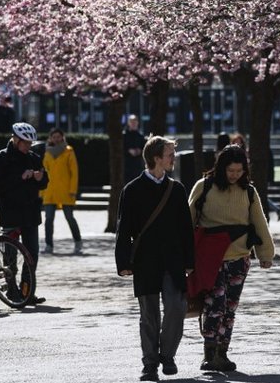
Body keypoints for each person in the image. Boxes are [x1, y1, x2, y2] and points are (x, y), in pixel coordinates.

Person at [188, 144, 274, 372]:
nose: (235, 175)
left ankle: (222, 353)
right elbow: (187, 222)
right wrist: (184, 258)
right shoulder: (204, 187)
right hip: (209, 257)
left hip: (239, 258)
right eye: (231, 170)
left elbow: (259, 222)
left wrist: (266, 253)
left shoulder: (249, 192)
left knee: (230, 307)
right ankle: (209, 353)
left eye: (239, 170)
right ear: (221, 167)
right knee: (214, 303)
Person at [116, 136, 194, 382]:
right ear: (156, 158)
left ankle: (167, 355)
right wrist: (124, 264)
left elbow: (186, 229)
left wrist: (190, 261)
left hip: (173, 260)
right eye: (170, 153)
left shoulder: (177, 189)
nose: (173, 157)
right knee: (149, 315)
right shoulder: (132, 190)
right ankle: (150, 363)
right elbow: (124, 229)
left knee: (177, 306)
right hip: (145, 261)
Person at [0, 122, 48, 304]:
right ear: (15, 139)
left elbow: (44, 182)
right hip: (11, 212)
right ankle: (12, 290)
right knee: (11, 255)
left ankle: (27, 291)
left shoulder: (34, 157)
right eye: (25, 142)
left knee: (33, 253)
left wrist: (41, 178)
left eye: (30, 143)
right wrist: (20, 177)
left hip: (31, 213)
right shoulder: (2, 157)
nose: (28, 146)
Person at [41, 128, 83, 254]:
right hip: (50, 191)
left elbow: (74, 172)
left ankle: (78, 242)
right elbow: (43, 171)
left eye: (58, 136)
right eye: (54, 137)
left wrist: (73, 190)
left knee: (69, 217)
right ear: (50, 138)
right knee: (48, 219)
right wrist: (41, 191)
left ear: (62, 137)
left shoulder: (69, 151)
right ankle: (49, 245)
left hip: (66, 190)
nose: (56, 139)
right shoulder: (47, 153)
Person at [228, 132, 280, 221]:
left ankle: (277, 209)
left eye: (239, 142)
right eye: (235, 142)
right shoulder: (229, 155)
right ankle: (277, 209)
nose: (237, 144)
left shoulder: (246, 154)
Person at [124, 115, 148, 183]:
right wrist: (128, 151)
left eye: (135, 121)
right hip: (127, 165)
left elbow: (144, 148)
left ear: (137, 122)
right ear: (128, 123)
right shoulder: (124, 135)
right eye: (131, 121)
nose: (133, 123)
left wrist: (140, 151)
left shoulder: (140, 135)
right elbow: (121, 149)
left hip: (138, 165)